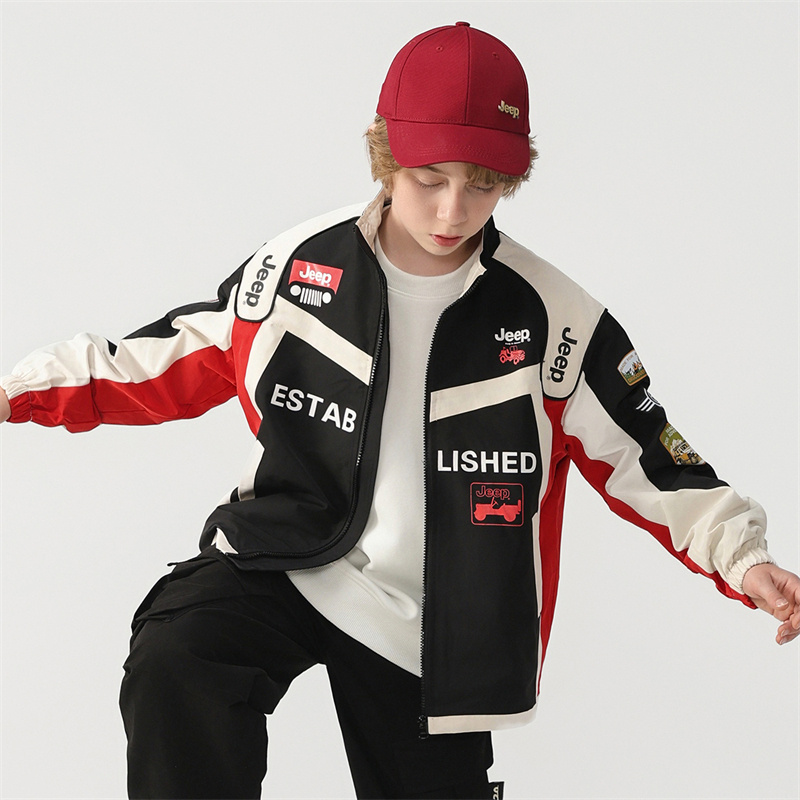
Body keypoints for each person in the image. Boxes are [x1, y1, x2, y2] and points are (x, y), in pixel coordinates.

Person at [1, 20, 798, 800]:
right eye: (429, 178)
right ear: (385, 158)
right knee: (179, 654)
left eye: (482, 183)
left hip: (438, 622)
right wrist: (12, 392)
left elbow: (646, 453)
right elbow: (163, 358)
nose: (453, 211)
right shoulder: (299, 268)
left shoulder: (556, 317)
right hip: (289, 555)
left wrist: (743, 558)